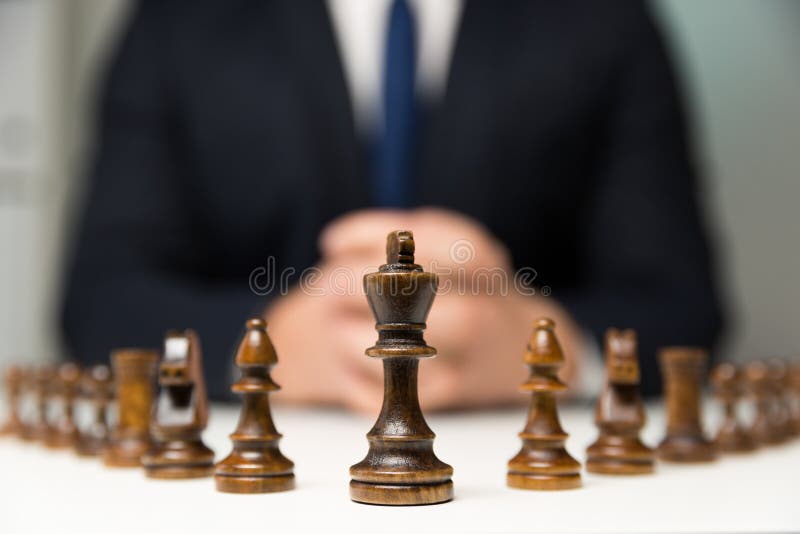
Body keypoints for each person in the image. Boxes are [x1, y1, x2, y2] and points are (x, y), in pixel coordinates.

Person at [61, 0, 724, 409]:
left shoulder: (607, 19)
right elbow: (100, 300)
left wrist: (549, 349)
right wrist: (268, 346)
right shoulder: (176, 18)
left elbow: (683, 308)